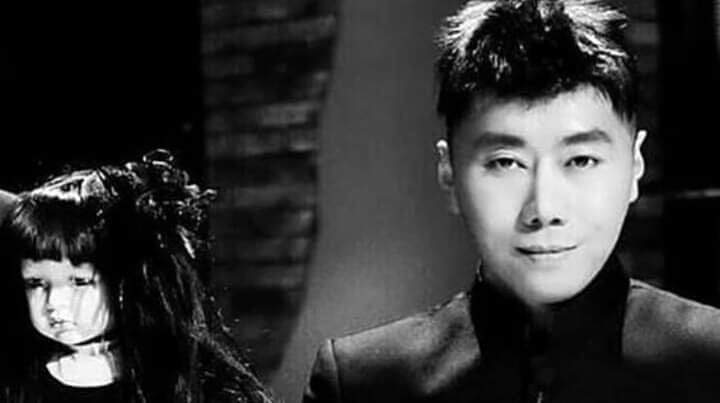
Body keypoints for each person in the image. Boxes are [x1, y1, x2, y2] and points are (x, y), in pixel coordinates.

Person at [303, 1, 720, 402]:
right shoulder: (364, 383)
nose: (544, 209)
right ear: (448, 172)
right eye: (506, 163)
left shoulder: (710, 360)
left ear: (635, 166)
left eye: (580, 160)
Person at [0, 150, 273, 403]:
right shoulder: (17, 381)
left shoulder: (181, 377)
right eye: (36, 283)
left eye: (80, 281)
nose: (54, 303)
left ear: (123, 278)